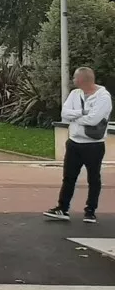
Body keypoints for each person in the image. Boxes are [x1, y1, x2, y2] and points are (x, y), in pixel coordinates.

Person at [46, 66, 111, 224]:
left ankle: (90, 211)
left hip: (94, 145)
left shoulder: (103, 97)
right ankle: (63, 208)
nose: (73, 80)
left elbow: (94, 120)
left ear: (83, 80)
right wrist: (83, 113)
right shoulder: (75, 94)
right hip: (74, 143)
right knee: (68, 177)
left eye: (75, 78)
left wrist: (75, 117)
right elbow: (64, 113)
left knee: (93, 178)